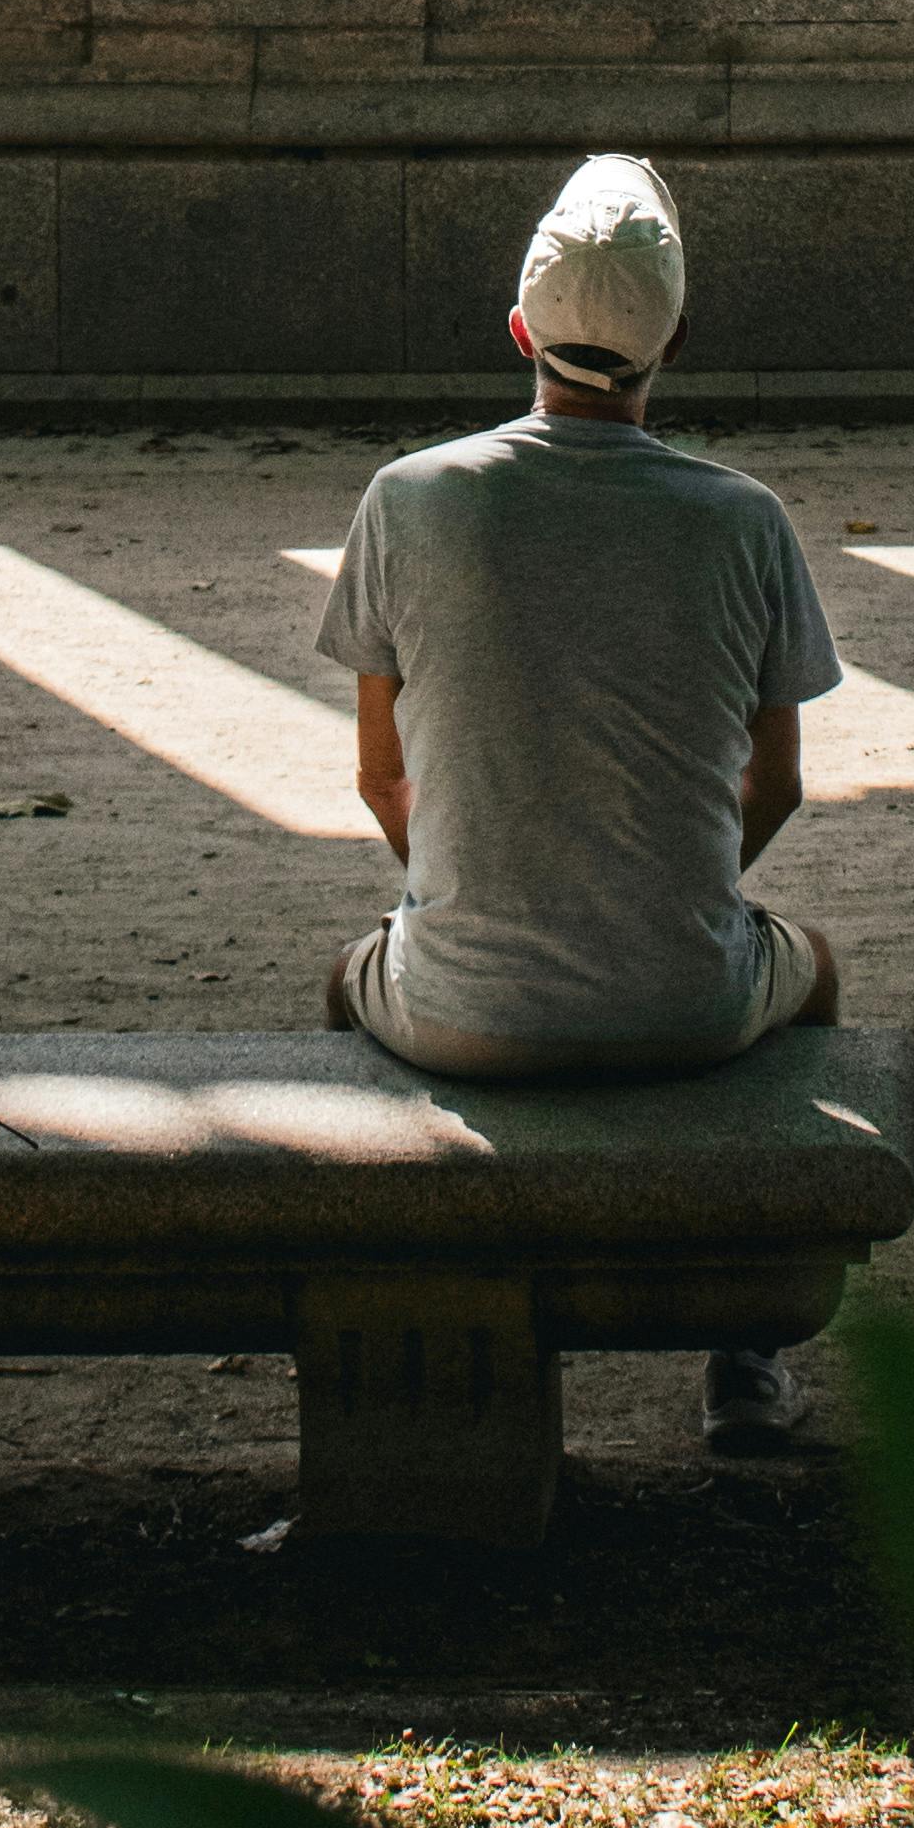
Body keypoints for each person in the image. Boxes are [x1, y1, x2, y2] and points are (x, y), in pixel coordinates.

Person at [312, 153, 846, 1452]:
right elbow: (776, 782)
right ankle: (747, 1357)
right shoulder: (744, 519)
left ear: (520, 332)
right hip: (687, 999)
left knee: (342, 988)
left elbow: (380, 776)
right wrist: (658, 882)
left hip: (460, 1007)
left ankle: (390, 1321)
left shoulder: (407, 498)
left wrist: (466, 879)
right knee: (816, 975)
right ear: (677, 342)